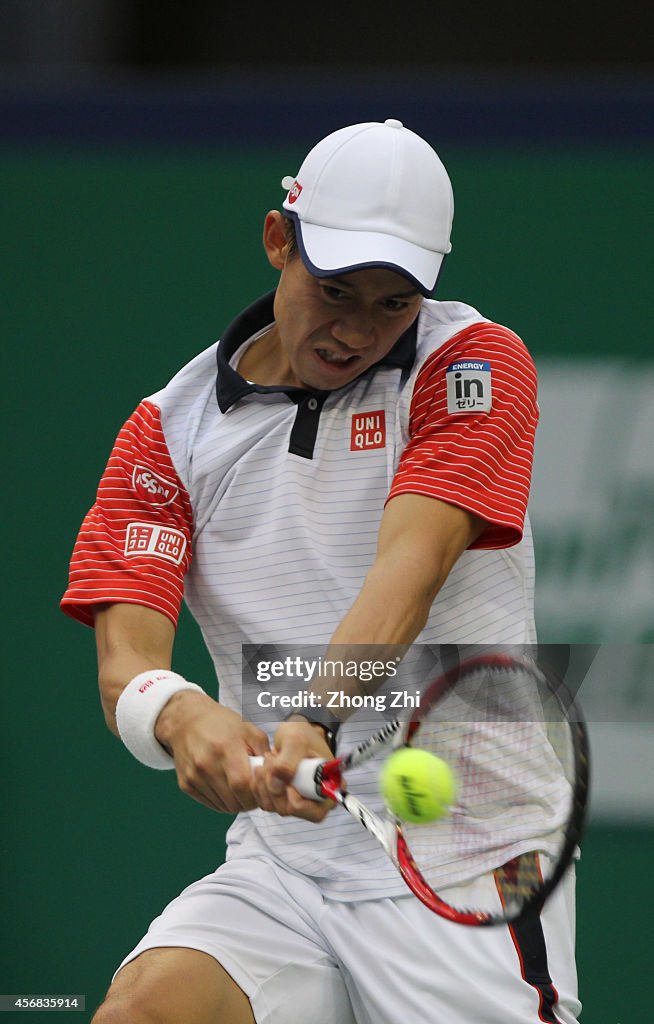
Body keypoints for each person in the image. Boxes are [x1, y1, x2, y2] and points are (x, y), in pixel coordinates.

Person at [61, 118, 580, 1024]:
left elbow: (409, 569)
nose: (356, 332)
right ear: (276, 240)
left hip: (465, 861)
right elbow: (125, 660)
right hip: (287, 867)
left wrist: (314, 716)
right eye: (334, 289)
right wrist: (178, 714)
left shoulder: (472, 365)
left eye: (393, 305)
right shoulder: (168, 432)